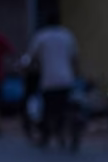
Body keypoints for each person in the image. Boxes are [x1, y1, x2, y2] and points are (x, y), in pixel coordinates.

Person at [26, 13, 79, 147]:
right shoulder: (67, 36)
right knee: (63, 107)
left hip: (48, 80)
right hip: (66, 79)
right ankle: (61, 133)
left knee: (48, 109)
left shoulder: (41, 37)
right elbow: (74, 59)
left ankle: (46, 135)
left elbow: (31, 58)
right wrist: (76, 74)